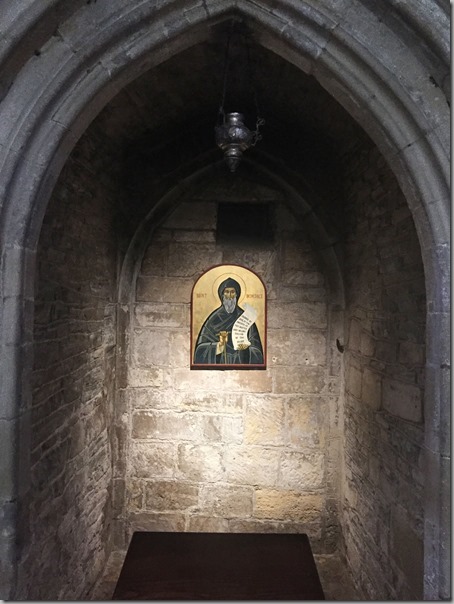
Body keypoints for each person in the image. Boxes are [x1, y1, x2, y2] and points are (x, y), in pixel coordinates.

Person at [193, 277, 264, 365]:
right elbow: (200, 350)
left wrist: (245, 350)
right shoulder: (213, 319)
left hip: (240, 364)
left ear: (237, 295)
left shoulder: (245, 318)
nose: (230, 296)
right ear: (222, 295)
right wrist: (218, 347)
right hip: (220, 363)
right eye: (226, 292)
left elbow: (257, 350)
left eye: (232, 292)